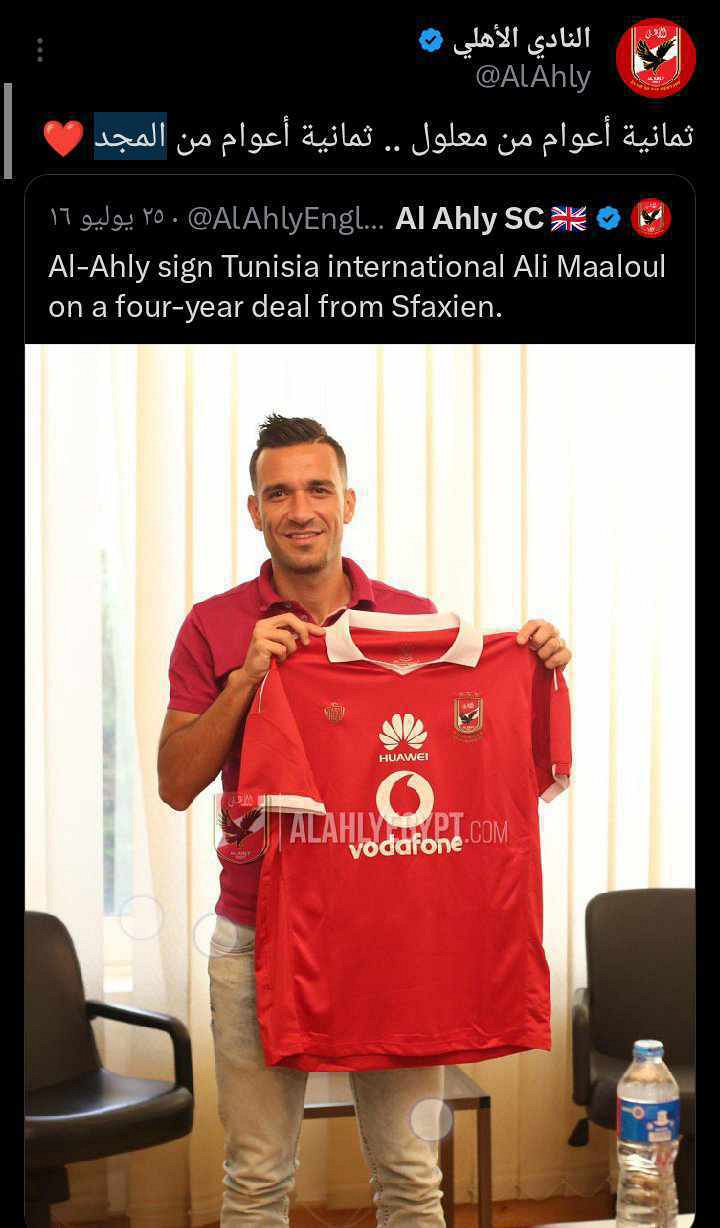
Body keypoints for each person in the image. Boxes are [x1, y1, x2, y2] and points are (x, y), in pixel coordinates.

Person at [157, 413, 572, 1226]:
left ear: (348, 502)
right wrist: (246, 680)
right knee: (257, 1178)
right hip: (256, 933)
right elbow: (175, 783)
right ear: (254, 510)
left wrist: (534, 667)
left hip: (394, 934)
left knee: (411, 1174)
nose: (299, 509)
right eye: (279, 493)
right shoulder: (213, 625)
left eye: (317, 489)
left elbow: (471, 742)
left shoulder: (413, 619)